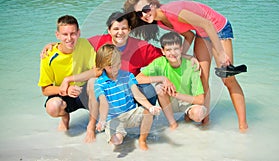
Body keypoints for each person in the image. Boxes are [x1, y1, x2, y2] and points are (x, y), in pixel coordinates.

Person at [41, 11, 199, 142]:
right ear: (109, 30)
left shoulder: (141, 47)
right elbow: (70, 42)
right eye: (115, 29)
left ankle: (144, 127)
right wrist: (51, 45)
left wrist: (188, 57)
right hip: (109, 93)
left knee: (149, 89)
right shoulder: (98, 42)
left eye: (124, 28)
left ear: (129, 29)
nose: (120, 32)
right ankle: (108, 125)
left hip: (130, 90)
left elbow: (167, 54)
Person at [123, 0, 248, 131]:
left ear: (153, 4)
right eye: (140, 13)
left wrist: (220, 53)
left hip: (218, 29)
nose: (144, 15)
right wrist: (182, 56)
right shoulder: (162, 22)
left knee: (228, 80)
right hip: (202, 34)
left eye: (145, 9)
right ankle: (205, 123)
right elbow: (189, 36)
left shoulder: (173, 11)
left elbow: (207, 24)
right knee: (202, 78)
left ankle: (243, 126)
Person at [93, 44, 161, 150]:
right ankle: (118, 135)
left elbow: (137, 95)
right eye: (110, 66)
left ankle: (142, 140)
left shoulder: (128, 76)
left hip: (130, 113)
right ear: (102, 65)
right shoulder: (99, 83)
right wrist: (102, 120)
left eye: (117, 64)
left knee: (148, 111)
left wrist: (150, 106)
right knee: (117, 142)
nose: (115, 68)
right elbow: (103, 103)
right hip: (113, 118)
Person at [136, 32, 206, 129]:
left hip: (187, 102)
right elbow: (138, 79)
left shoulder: (191, 65)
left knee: (199, 113)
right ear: (163, 51)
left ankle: (188, 117)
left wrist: (175, 94)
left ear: (181, 49)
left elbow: (200, 100)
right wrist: (163, 78)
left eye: (176, 49)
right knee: (159, 88)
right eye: (168, 50)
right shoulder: (160, 62)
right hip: (169, 103)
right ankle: (173, 124)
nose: (172, 53)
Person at [37, 15, 96, 131]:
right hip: (64, 94)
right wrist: (65, 90)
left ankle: (92, 123)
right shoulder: (48, 56)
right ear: (57, 35)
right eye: (65, 34)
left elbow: (97, 70)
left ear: (79, 33)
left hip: (84, 91)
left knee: (95, 82)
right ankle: (65, 118)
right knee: (52, 107)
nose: (69, 38)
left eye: (73, 33)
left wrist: (70, 79)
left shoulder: (84, 44)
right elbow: (45, 89)